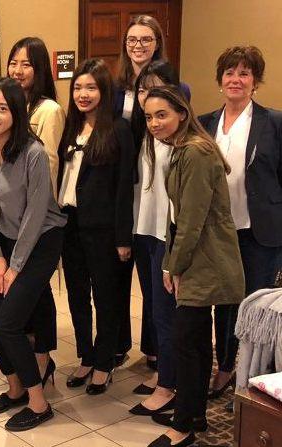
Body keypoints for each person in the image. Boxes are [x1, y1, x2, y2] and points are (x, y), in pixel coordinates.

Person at [143, 86, 244, 447]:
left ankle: (183, 425)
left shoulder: (196, 153)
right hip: (197, 257)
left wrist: (173, 266)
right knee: (198, 341)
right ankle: (195, 413)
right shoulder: (183, 150)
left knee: (187, 342)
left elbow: (191, 220)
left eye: (162, 115)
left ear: (182, 114)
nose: (154, 123)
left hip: (205, 260)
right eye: (149, 116)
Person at [0, 77, 66, 432]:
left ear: (17, 113)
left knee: (9, 324)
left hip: (41, 242)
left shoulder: (33, 153)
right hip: (6, 244)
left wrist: (14, 266)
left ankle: (39, 403)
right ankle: (15, 389)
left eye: (2, 108)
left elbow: (37, 213)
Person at [198, 46, 282, 402]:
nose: (236, 79)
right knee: (224, 302)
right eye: (230, 72)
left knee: (253, 303)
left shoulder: (274, 122)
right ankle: (225, 367)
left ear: (255, 81)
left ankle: (254, 377)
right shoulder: (204, 124)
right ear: (220, 80)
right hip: (218, 233)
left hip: (261, 232)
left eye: (244, 73)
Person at [58, 59, 134, 394]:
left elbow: (123, 188)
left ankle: (104, 363)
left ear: (105, 91)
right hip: (69, 224)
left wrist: (122, 236)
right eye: (78, 87)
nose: (83, 94)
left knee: (106, 297)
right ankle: (86, 357)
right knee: (76, 295)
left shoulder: (118, 130)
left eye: (91, 87)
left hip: (103, 229)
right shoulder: (70, 126)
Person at [6, 36, 65, 380]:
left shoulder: (49, 111)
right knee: (28, 291)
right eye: (14, 62)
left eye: (26, 64)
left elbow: (51, 164)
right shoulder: (12, 107)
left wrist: (34, 210)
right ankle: (31, 354)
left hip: (40, 219)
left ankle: (42, 357)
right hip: (13, 219)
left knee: (38, 290)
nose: (17, 70)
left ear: (40, 69)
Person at [126, 61, 182, 415]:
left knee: (166, 313)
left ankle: (169, 385)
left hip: (168, 236)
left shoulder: (185, 143)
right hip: (145, 231)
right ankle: (164, 370)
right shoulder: (147, 135)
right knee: (154, 309)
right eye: (144, 90)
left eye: (158, 88)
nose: (150, 98)